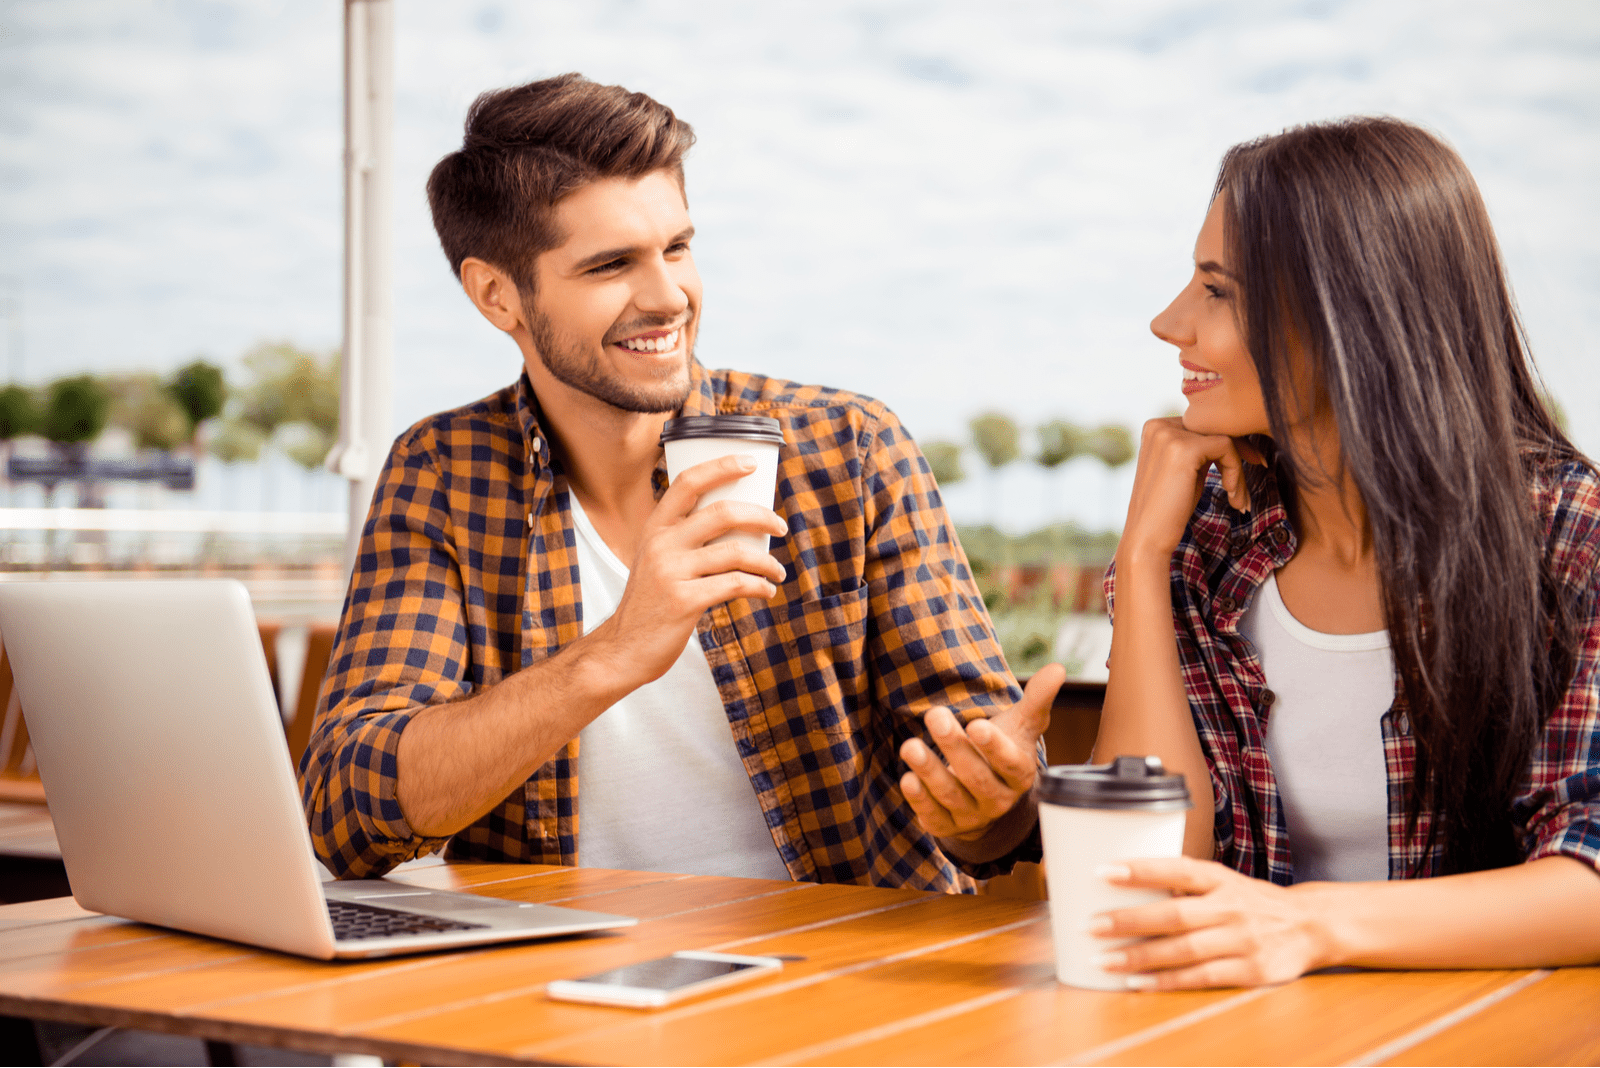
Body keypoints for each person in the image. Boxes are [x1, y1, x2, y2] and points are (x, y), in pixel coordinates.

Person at [298, 74, 1062, 891]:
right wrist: (614, 653)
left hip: (837, 974)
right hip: (551, 987)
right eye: (610, 265)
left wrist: (991, 806)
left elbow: (992, 810)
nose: (668, 298)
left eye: (677, 247)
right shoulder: (445, 472)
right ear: (497, 295)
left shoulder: (849, 450)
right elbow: (348, 813)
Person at [1089, 116, 1600, 989]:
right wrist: (1143, 562)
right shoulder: (1211, 544)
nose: (1168, 321)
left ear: (1349, 312)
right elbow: (1140, 875)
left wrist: (1306, 923)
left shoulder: (1567, 536)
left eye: (1219, 292)